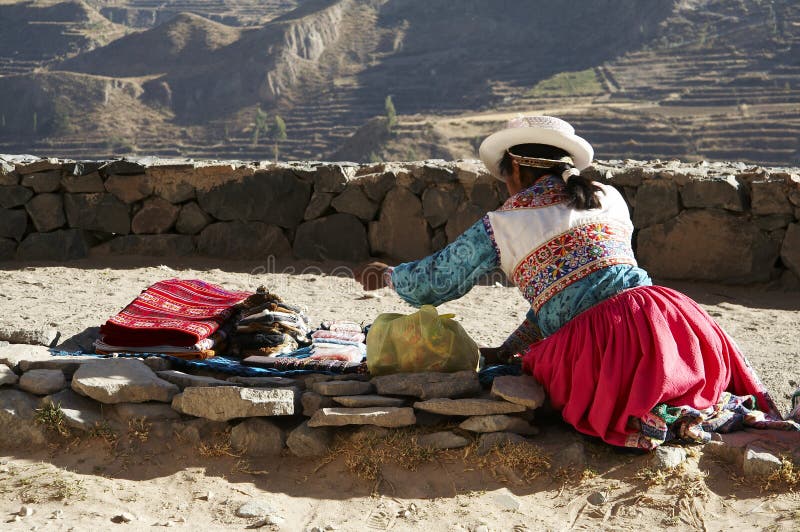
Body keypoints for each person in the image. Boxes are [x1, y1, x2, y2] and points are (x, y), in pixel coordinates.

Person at [357, 115, 799, 449]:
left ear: (514, 169)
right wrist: (511, 345)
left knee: (545, 381)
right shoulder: (610, 197)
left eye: (503, 176)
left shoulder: (503, 223)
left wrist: (390, 275)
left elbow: (437, 282)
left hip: (610, 349)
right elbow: (577, 290)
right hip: (675, 326)